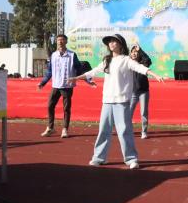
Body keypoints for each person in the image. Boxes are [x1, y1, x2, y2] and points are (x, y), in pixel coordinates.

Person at [71, 34, 163, 169]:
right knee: (104, 130)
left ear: (121, 44)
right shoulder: (107, 60)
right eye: (109, 42)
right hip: (107, 101)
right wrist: (77, 78)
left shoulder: (126, 60)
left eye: (114, 41)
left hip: (122, 101)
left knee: (124, 130)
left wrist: (155, 75)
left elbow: (141, 68)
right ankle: (99, 157)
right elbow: (94, 71)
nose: (111, 44)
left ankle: (131, 159)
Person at [38, 34, 88, 138]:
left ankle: (65, 129)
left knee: (66, 108)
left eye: (62, 40)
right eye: (58, 40)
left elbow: (79, 69)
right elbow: (49, 71)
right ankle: (50, 128)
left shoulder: (72, 55)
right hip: (56, 86)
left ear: (66, 41)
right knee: (50, 106)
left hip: (67, 86)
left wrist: (87, 80)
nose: (60, 42)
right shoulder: (53, 55)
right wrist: (43, 82)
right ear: (56, 42)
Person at [129, 44, 152, 139]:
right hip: (132, 92)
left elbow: (148, 60)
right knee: (128, 112)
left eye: (136, 52)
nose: (134, 53)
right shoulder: (128, 63)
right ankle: (127, 130)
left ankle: (144, 131)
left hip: (143, 91)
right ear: (130, 54)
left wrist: (140, 50)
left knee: (143, 112)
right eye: (132, 52)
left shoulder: (143, 63)